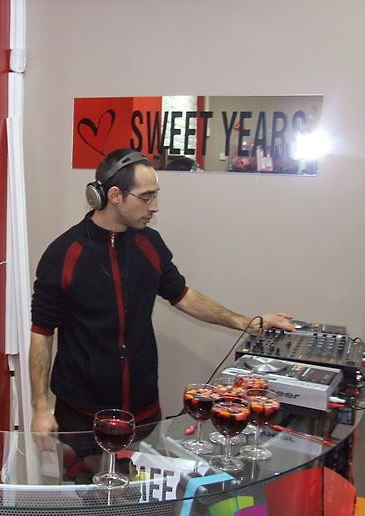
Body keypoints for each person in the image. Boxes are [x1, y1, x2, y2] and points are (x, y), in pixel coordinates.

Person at [30, 148, 294, 435]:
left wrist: (245, 322)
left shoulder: (150, 244)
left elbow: (182, 295)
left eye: (155, 195)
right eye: (146, 197)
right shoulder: (64, 253)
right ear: (114, 196)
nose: (154, 206)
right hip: (82, 413)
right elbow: (42, 332)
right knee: (84, 468)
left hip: (143, 410)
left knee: (146, 465)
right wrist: (40, 407)